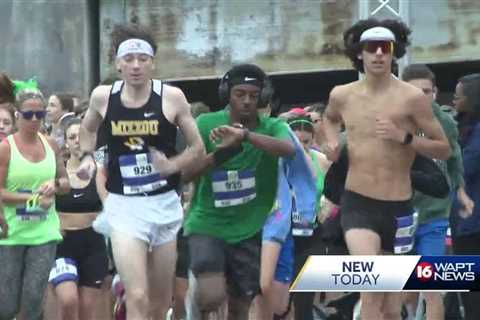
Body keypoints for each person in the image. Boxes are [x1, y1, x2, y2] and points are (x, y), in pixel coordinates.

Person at [323, 18, 450, 320]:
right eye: (371, 48)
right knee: (370, 286)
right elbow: (329, 118)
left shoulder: (412, 98)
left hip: (398, 207)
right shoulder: (343, 94)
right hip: (358, 202)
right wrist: (331, 144)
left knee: (391, 306)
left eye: (385, 48)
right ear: (360, 54)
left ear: (395, 53)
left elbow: (443, 147)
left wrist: (404, 138)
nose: (378, 55)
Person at [77, 24, 205, 320]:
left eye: (142, 59)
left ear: (153, 63)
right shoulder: (102, 97)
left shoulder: (172, 97)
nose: (136, 66)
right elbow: (87, 131)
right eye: (129, 59)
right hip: (124, 206)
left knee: (160, 302)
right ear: (118, 64)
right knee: (137, 295)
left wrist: (171, 165)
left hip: (163, 204)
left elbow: (198, 148)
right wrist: (92, 158)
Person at [182, 63, 295, 320]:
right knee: (211, 295)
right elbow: (186, 174)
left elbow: (288, 150)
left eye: (253, 96)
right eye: (240, 94)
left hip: (250, 228)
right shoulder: (206, 123)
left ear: (263, 98)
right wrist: (222, 154)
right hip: (207, 223)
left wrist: (245, 137)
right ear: (227, 95)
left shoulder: (272, 127)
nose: (246, 101)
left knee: (240, 307)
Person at [401, 64, 468, 320]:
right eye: (414, 92)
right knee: (404, 288)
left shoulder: (446, 122)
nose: (421, 98)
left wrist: (460, 193)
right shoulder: (393, 120)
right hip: (399, 214)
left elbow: (455, 161)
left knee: (431, 287)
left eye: (426, 92)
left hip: (435, 214)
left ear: (436, 92)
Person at [0, 86, 70, 320]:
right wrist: (33, 198)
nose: (34, 120)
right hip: (12, 233)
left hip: (44, 232)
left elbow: (65, 182)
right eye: (28, 115)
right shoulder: (6, 148)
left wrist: (55, 185)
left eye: (40, 115)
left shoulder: (51, 144)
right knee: (6, 304)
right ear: (17, 115)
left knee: (33, 300)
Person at [48, 118, 109, 320]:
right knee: (68, 300)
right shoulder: (56, 171)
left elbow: (109, 202)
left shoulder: (99, 171)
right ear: (65, 142)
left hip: (93, 246)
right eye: (72, 137)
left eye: (81, 137)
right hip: (62, 244)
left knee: (85, 311)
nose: (76, 141)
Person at [449, 73, 480, 320]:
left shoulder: (476, 133)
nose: (454, 101)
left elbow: (464, 167)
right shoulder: (466, 128)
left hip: (473, 223)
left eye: (458, 96)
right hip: (465, 223)